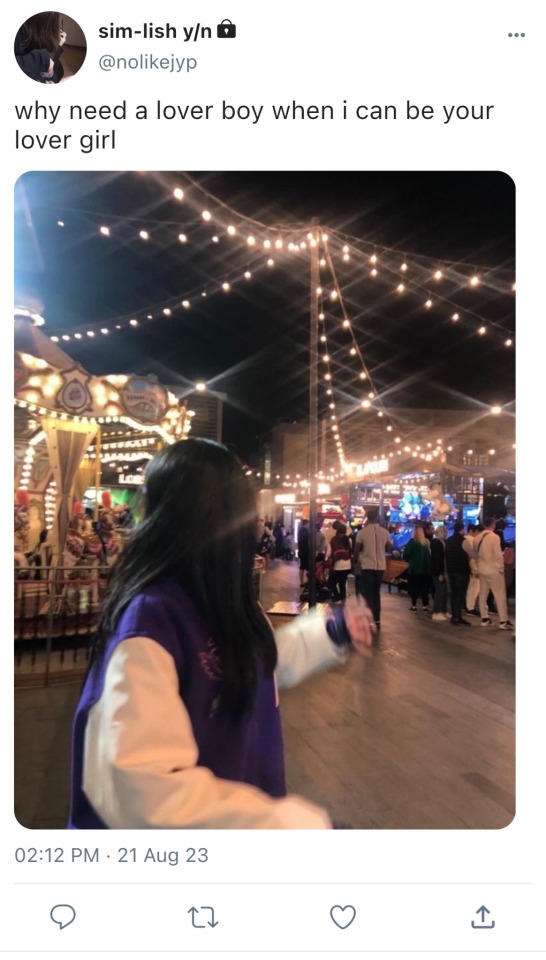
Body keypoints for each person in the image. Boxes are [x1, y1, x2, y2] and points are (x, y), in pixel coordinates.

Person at [69, 440, 375, 829]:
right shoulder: (150, 622)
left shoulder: (219, 598)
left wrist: (331, 633)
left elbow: (254, 662)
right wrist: (298, 830)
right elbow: (147, 792)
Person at [353, 507, 392, 628]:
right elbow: (388, 547)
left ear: (367, 517)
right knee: (376, 592)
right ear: (377, 517)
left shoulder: (361, 533)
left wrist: (355, 562)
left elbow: (356, 550)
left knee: (368, 593)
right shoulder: (385, 532)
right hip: (380, 566)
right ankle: (377, 619)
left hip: (367, 566)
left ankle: (369, 619)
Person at [473, 518, 513, 630]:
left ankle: (484, 618)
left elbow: (475, 555)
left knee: (483, 594)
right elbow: (498, 555)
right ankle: (503, 621)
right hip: (494, 570)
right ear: (492, 524)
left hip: (482, 569)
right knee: (500, 595)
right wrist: (501, 568)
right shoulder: (494, 537)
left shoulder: (477, 538)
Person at [14, 13, 67, 83]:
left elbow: (50, 60)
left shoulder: (38, 38)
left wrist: (58, 46)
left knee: (59, 69)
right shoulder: (19, 36)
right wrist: (43, 58)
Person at [445, 522, 471, 626]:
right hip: (462, 570)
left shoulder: (448, 541)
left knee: (454, 593)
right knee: (460, 594)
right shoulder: (464, 541)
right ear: (461, 529)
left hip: (451, 570)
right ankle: (457, 617)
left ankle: (454, 616)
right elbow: (472, 553)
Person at [403, 525, 431, 611]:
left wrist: (409, 560)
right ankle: (424, 606)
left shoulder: (412, 542)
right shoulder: (426, 542)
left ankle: (414, 606)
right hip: (424, 569)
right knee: (424, 588)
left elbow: (405, 554)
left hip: (414, 569)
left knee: (414, 588)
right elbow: (428, 556)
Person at [328, 522, 353, 602]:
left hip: (337, 564)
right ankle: (342, 598)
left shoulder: (333, 539)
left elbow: (329, 552)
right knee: (342, 583)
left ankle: (336, 596)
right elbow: (350, 550)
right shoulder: (348, 539)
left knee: (332, 582)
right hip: (347, 564)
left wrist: (328, 558)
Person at [430, 524, 449, 621]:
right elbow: (437, 559)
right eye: (445, 532)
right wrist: (439, 573)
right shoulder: (436, 543)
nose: (446, 534)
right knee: (439, 591)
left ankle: (443, 610)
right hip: (438, 571)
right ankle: (437, 612)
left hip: (442, 570)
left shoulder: (441, 542)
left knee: (444, 591)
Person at [297, 518, 310, 587]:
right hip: (306, 551)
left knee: (302, 567)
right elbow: (307, 542)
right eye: (308, 524)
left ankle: (302, 582)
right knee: (307, 567)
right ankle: (307, 582)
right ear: (306, 524)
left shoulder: (300, 531)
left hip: (301, 551)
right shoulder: (306, 531)